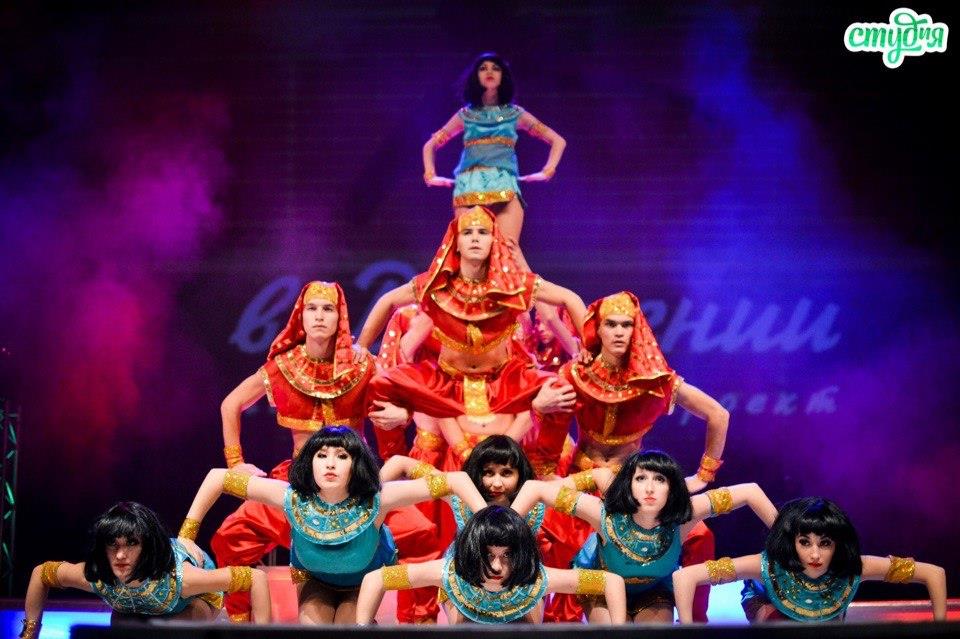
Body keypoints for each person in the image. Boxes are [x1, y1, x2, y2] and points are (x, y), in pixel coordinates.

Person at [209, 281, 408, 621]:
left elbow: (400, 400)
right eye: (311, 308)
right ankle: (241, 625)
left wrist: (403, 414)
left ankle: (418, 626)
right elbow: (231, 404)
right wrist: (235, 462)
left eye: (327, 309)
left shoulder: (362, 365)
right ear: (300, 317)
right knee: (231, 537)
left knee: (419, 532)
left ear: (340, 318)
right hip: (300, 485)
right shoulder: (284, 366)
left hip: (355, 487)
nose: (319, 316)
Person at [527, 291, 727, 621]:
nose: (619, 332)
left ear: (637, 330)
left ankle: (695, 623)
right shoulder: (575, 375)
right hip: (582, 479)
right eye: (611, 324)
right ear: (597, 329)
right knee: (543, 534)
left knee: (701, 536)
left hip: (633, 486)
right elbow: (546, 458)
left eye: (626, 325)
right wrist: (539, 411)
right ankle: (546, 626)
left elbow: (718, 415)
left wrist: (703, 476)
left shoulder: (655, 379)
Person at [181, 426, 486, 624]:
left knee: (346, 631)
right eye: (321, 455)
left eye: (341, 456)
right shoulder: (290, 498)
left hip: (363, 583)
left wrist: (492, 528)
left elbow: (456, 481)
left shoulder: (377, 501)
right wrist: (187, 536)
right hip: (313, 580)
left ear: (356, 464)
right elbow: (218, 478)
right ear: (309, 462)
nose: (330, 463)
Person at [357, 206, 586, 432]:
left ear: (493, 240)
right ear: (456, 242)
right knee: (380, 385)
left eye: (483, 233)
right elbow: (388, 301)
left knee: (562, 389)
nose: (475, 238)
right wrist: (363, 345)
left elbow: (569, 298)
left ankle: (544, 455)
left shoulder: (512, 283)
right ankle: (402, 419)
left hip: (502, 383)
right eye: (467, 233)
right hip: (447, 383)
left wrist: (587, 345)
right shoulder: (436, 282)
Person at [511, 449, 778, 623]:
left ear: (672, 487)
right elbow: (535, 488)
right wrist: (498, 532)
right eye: (640, 479)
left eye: (660, 480)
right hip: (600, 588)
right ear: (628, 485)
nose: (649, 488)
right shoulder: (603, 514)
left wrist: (787, 538)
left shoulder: (684, 516)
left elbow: (750, 491)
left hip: (653, 591)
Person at [672, 497, 948, 623]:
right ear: (792, 542)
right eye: (805, 543)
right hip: (767, 604)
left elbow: (934, 573)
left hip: (824, 611)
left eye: (825, 544)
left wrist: (940, 629)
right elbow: (685, 576)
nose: (815, 555)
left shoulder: (855, 566)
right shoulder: (767, 565)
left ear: (837, 544)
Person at [19, 502, 271, 638]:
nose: (120, 555)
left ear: (146, 547)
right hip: (133, 607)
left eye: (131, 544)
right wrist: (29, 633)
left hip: (194, 602)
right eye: (113, 545)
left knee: (168, 631)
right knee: (120, 625)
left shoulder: (180, 579)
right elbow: (41, 573)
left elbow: (255, 577)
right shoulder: (97, 576)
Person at [355, 506, 626, 624]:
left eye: (507, 556)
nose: (496, 566)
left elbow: (610, 581)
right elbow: (376, 579)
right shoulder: (448, 571)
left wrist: (621, 632)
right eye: (488, 556)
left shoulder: (537, 578)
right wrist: (361, 631)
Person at [422, 52, 566, 267]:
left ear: (503, 76)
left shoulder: (515, 114)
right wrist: (430, 175)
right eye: (483, 68)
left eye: (495, 68)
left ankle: (531, 291)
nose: (489, 72)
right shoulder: (465, 115)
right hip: (469, 188)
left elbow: (558, 140)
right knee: (469, 258)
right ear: (476, 77)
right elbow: (430, 145)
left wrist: (548, 171)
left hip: (504, 186)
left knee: (508, 254)